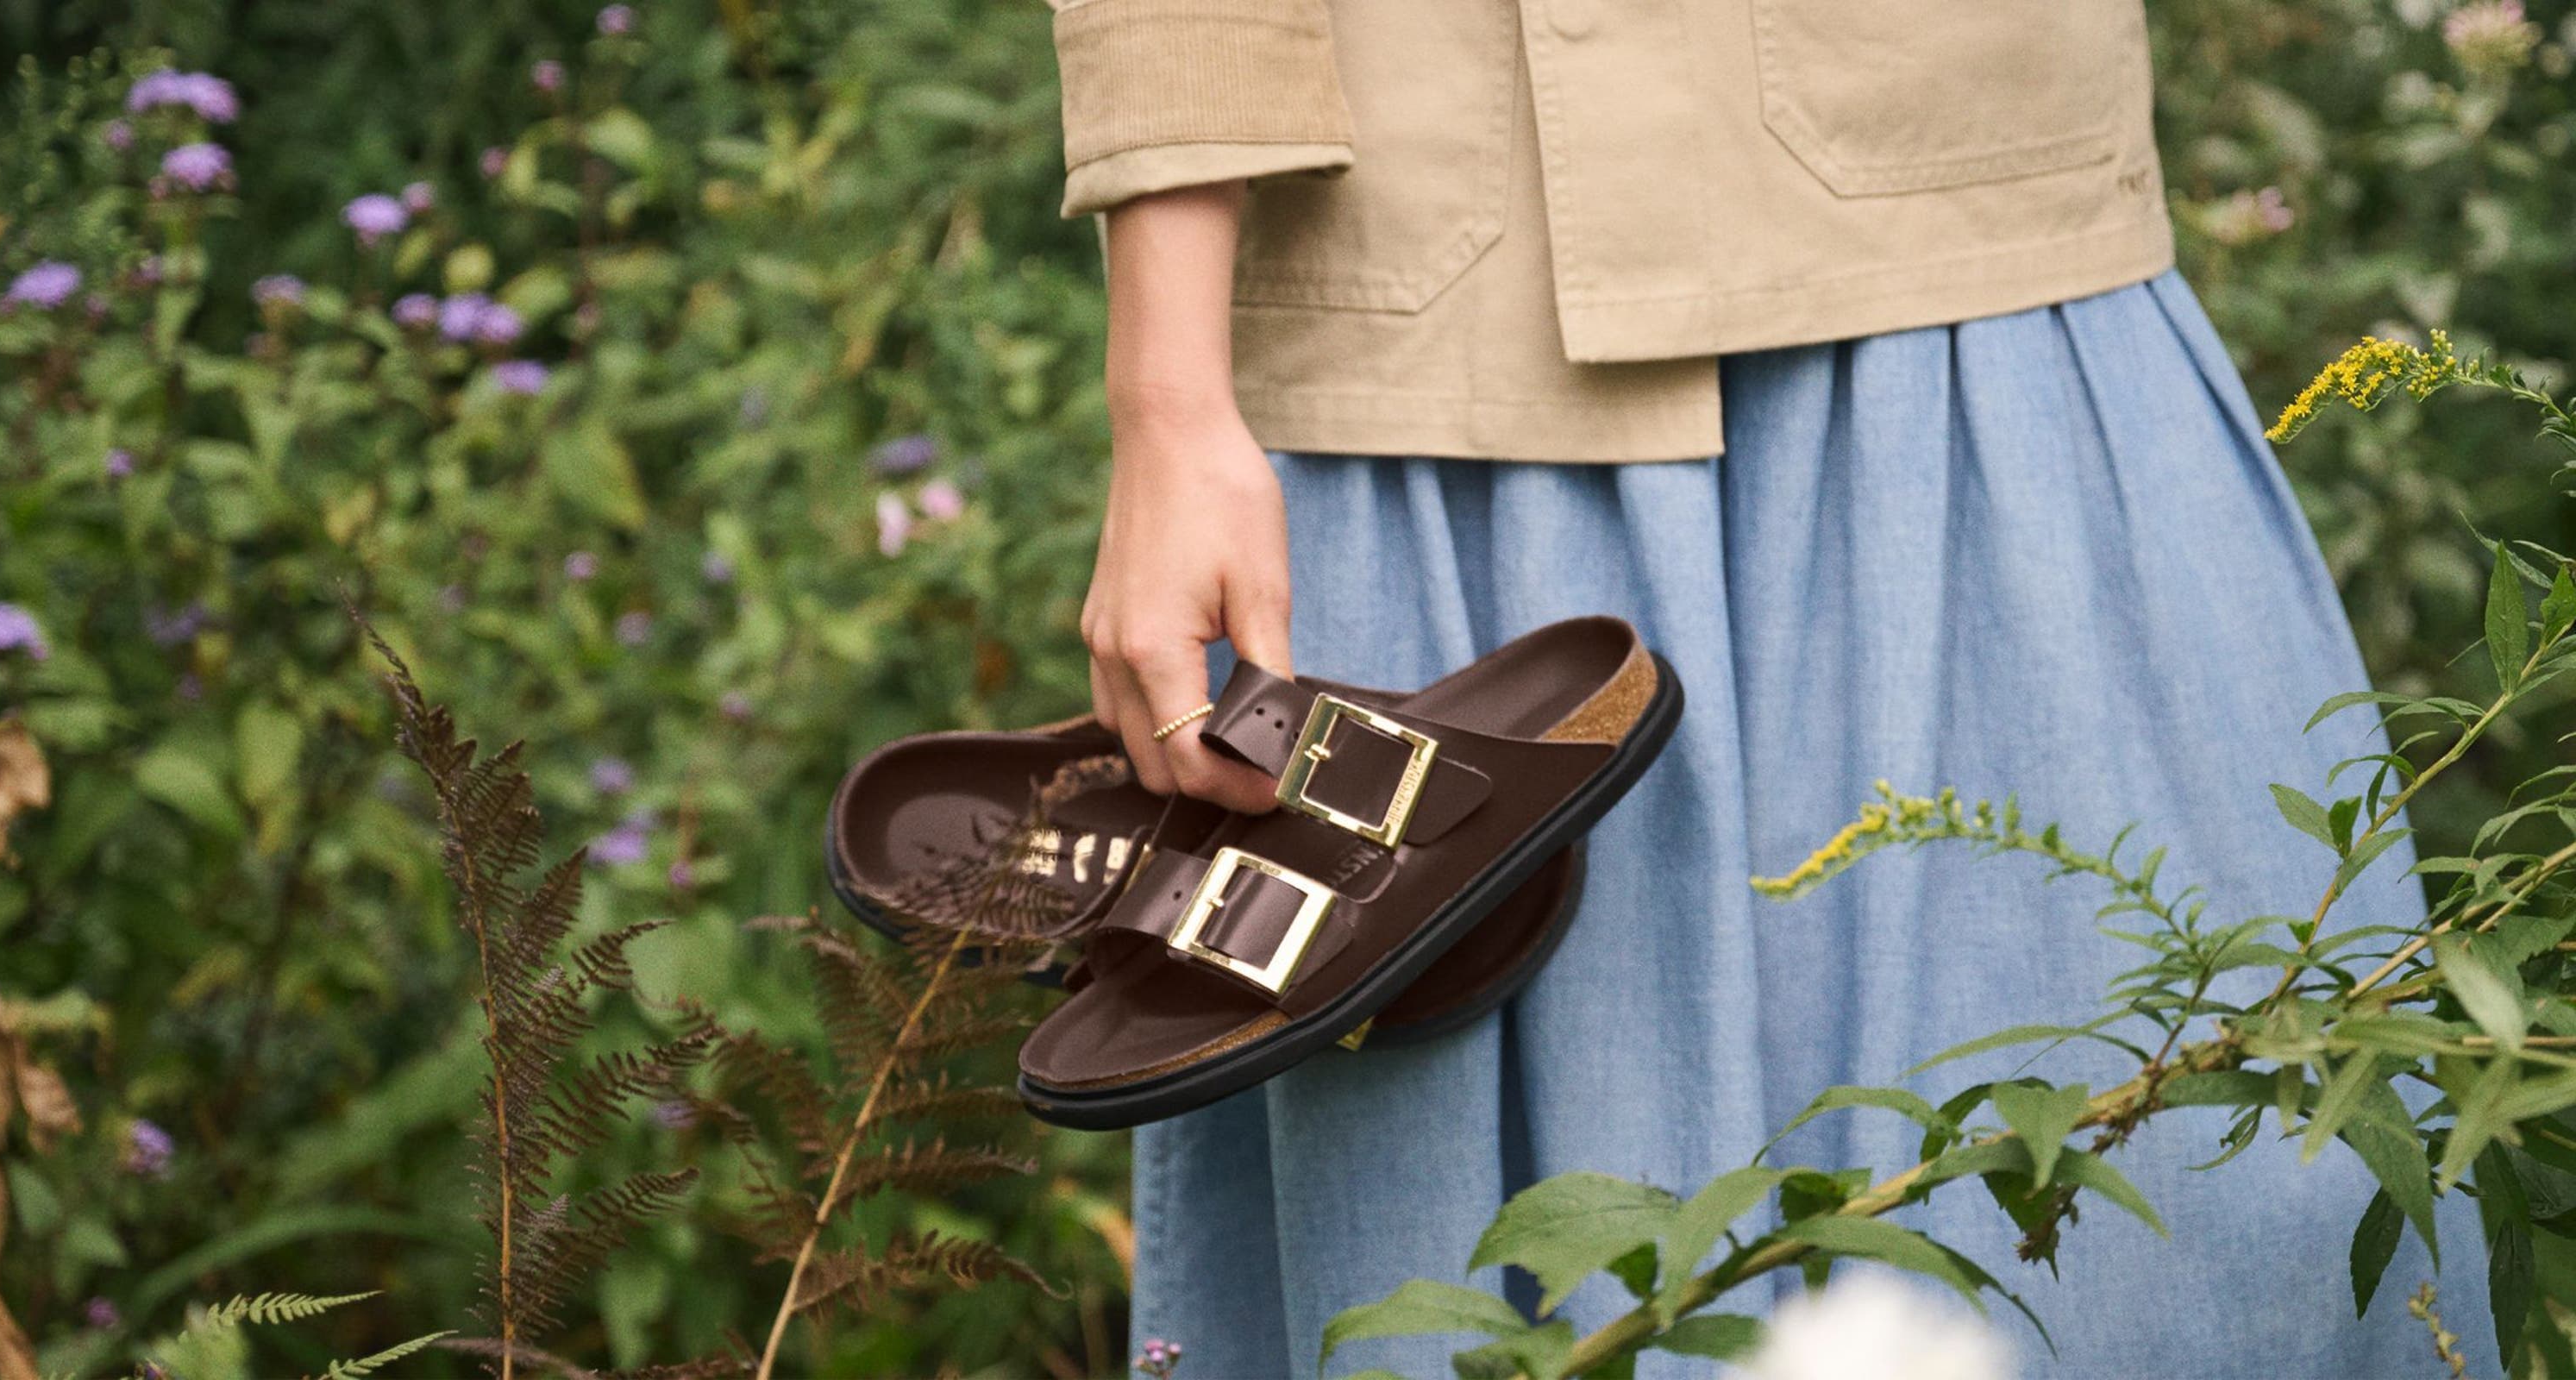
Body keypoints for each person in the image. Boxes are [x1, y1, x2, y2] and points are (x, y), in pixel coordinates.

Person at [1050, 2, 2480, 1374]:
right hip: (1436, 330)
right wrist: (1165, 400)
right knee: (1474, 1287)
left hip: (1975, 260)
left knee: (2197, 1211)